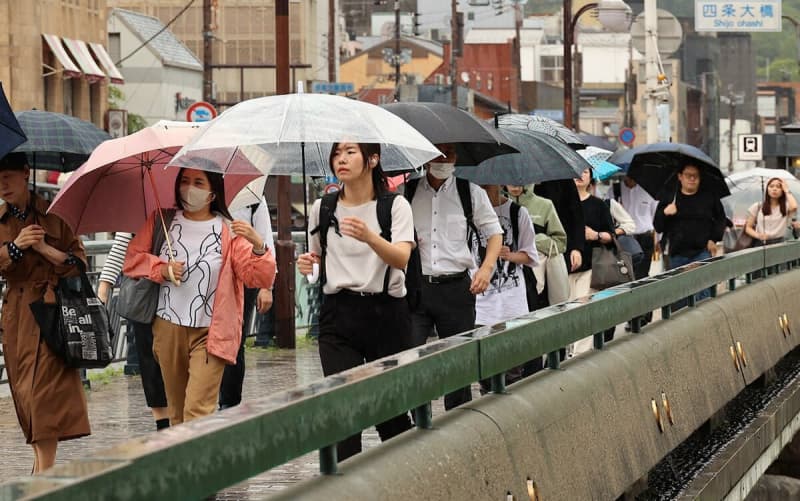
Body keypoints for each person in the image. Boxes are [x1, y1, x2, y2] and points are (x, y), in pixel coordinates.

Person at [124, 166, 275, 426]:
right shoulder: (162, 220)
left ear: (213, 191)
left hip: (211, 332)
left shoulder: (228, 230)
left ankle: (198, 466)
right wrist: (162, 268)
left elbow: (257, 277)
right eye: (184, 180)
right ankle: (182, 466)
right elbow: (132, 261)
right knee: (177, 413)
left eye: (198, 182)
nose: (189, 188)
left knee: (198, 411)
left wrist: (259, 246)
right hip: (167, 327)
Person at [297, 142, 415, 462]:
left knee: (388, 411)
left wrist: (371, 237)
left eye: (350, 152)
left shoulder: (395, 206)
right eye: (337, 153)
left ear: (372, 159)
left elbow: (402, 257)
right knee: (343, 410)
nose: (341, 159)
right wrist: (309, 266)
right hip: (338, 315)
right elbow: (318, 259)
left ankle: (411, 479)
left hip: (386, 314)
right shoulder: (323, 207)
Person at [0, 152, 90, 473]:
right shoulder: (1, 221)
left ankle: (43, 478)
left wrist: (43, 249)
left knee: (43, 398)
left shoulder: (55, 214)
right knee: (27, 396)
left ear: (25, 173)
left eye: (8, 177)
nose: (3, 185)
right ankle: (41, 473)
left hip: (53, 315)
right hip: (17, 320)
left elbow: (79, 264)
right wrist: (17, 246)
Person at [405, 143, 502, 410]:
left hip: (456, 289)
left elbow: (494, 233)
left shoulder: (470, 193)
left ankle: (456, 421)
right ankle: (416, 418)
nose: (443, 160)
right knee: (408, 358)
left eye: (449, 154)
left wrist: (486, 268)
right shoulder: (407, 192)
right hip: (416, 288)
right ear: (425, 157)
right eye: (437, 153)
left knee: (459, 363)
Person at [98, 233, 170, 430]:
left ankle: (183, 419)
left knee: (178, 361)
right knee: (149, 360)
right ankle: (163, 425)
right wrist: (104, 287)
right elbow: (121, 244)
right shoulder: (140, 209)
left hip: (181, 294)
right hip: (145, 292)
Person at [473, 184, 538, 388]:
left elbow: (530, 255)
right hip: (480, 306)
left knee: (512, 369)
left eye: (488, 184)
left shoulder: (518, 213)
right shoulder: (468, 215)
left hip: (512, 304)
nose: (483, 188)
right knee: (483, 369)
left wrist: (509, 255)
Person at [219, 197, 275, 409]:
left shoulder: (252, 196)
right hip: (213, 274)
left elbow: (264, 237)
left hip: (245, 273)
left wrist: (266, 286)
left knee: (235, 339)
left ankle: (229, 403)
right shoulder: (206, 189)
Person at [653, 163, 726, 304]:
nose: (692, 179)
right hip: (676, 253)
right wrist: (665, 213)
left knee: (702, 292)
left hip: (702, 251)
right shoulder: (670, 198)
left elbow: (721, 219)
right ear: (680, 177)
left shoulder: (709, 197)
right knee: (679, 295)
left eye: (696, 176)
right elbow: (658, 226)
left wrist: (713, 239)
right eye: (688, 175)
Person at [570, 168, 616, 356]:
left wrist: (595, 235)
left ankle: (579, 355)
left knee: (583, 309)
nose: (579, 175)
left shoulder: (598, 205)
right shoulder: (560, 204)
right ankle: (568, 352)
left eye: (584, 171)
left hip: (591, 266)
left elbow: (611, 236)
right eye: (574, 171)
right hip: (563, 267)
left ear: (590, 177)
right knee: (566, 312)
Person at [505, 184, 567, 309]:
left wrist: (535, 240)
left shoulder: (545, 205)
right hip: (506, 276)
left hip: (538, 276)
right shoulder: (495, 207)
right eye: (510, 181)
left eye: (519, 181)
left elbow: (560, 243)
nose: (515, 185)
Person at [744, 178, 797, 245]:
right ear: (767, 189)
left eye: (778, 187)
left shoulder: (786, 207)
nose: (774, 189)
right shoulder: (758, 206)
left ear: (782, 190)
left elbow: (794, 207)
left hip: (780, 243)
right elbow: (748, 228)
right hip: (761, 243)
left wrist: (786, 190)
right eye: (771, 186)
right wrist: (758, 235)